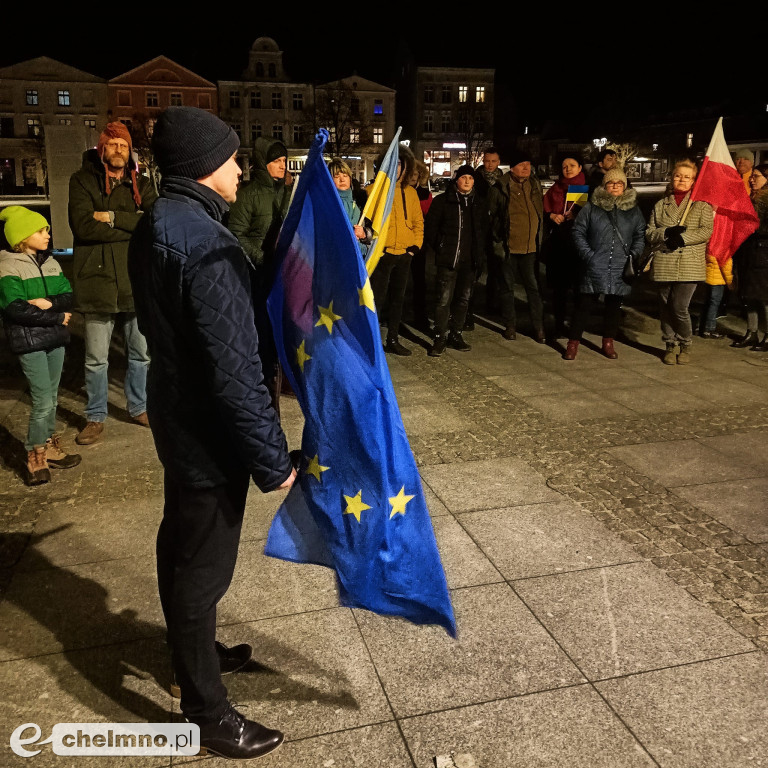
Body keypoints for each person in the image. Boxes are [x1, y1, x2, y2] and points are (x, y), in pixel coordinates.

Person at [128, 106, 296, 760]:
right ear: (203, 165)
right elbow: (236, 372)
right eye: (230, 158)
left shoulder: (165, 222)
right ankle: (204, 711)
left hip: (180, 419)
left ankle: (195, 656)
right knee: (199, 571)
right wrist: (272, 461)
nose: (240, 167)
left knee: (184, 549)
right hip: (208, 434)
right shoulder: (205, 242)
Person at [68, 122, 157, 446]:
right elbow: (82, 226)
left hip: (135, 279)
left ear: (129, 151)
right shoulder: (81, 181)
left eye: (124, 145)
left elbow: (153, 221)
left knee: (141, 354)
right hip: (97, 281)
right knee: (95, 358)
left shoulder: (142, 184)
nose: (118, 150)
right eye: (112, 144)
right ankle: (95, 416)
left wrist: (113, 217)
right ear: (101, 149)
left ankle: (138, 407)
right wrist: (131, 225)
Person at [0, 207, 81, 485]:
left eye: (46, 229)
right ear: (22, 237)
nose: (47, 234)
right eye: (40, 230)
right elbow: (14, 308)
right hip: (30, 340)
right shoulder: (8, 265)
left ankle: (48, 446)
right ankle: (35, 453)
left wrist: (47, 304)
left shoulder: (51, 262)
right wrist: (57, 316)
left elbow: (68, 295)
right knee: (43, 400)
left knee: (52, 398)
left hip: (54, 339)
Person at [228, 136, 293, 413]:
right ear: (263, 163)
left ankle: (282, 376)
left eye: (284, 160)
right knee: (261, 333)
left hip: (284, 275)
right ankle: (265, 387)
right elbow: (235, 233)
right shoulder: (248, 194)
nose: (282, 165)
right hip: (258, 276)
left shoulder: (287, 192)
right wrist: (263, 258)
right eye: (276, 161)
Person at [568, 168, 645, 359]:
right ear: (604, 186)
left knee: (613, 307)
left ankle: (608, 342)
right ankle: (573, 343)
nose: (615, 186)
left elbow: (640, 234)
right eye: (611, 183)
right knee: (584, 306)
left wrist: (633, 254)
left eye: (619, 183)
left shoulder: (633, 210)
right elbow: (578, 231)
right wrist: (588, 255)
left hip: (620, 265)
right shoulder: (592, 207)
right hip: (595, 264)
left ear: (625, 186)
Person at [646, 159, 714, 365]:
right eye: (678, 176)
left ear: (694, 181)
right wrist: (666, 232)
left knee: (679, 306)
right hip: (664, 261)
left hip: (689, 263)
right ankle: (669, 343)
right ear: (672, 178)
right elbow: (649, 232)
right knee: (665, 306)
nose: (681, 180)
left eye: (687, 177)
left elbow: (706, 231)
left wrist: (683, 238)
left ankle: (685, 342)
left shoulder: (701, 205)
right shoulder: (660, 205)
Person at [423, 164, 488, 357]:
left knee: (463, 300)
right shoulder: (443, 201)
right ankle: (439, 337)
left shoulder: (479, 203)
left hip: (470, 262)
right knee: (443, 300)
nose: (467, 181)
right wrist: (441, 247)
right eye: (463, 178)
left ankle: (456, 334)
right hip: (449, 260)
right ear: (456, 180)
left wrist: (480, 254)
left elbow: (484, 230)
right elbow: (431, 229)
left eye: (471, 178)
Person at [370, 143, 424, 356]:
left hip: (404, 253)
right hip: (383, 255)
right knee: (377, 300)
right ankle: (373, 342)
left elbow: (418, 222)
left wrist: (414, 247)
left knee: (398, 299)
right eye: (394, 164)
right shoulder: (374, 190)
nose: (397, 168)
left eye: (400, 164)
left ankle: (393, 338)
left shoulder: (410, 192)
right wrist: (377, 247)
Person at [487, 148, 545, 342]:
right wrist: (497, 240)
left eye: (528, 165)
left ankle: (538, 327)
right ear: (512, 168)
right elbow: (491, 216)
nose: (526, 168)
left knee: (533, 289)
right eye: (522, 165)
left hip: (531, 248)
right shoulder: (500, 188)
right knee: (507, 289)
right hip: (508, 248)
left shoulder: (534, 184)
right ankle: (510, 325)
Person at [542, 154, 587, 338]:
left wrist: (578, 215)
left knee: (578, 290)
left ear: (580, 168)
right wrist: (551, 216)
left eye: (572, 165)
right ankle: (559, 326)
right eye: (564, 166)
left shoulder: (584, 188)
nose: (567, 169)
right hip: (558, 245)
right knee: (559, 290)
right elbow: (544, 210)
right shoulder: (555, 188)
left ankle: (576, 327)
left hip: (579, 246)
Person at [732, 163, 768, 350]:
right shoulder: (751, 198)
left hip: (763, 254)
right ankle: (751, 332)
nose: (752, 179)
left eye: (757, 176)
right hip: (749, 252)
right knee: (748, 294)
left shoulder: (765, 201)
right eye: (752, 176)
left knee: (763, 296)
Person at [473, 147, 504, 318]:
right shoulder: (476, 179)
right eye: (487, 161)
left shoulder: (504, 181)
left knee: (496, 269)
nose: (489, 164)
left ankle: (492, 304)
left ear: (499, 162)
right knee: (475, 268)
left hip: (497, 231)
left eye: (493, 161)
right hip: (479, 229)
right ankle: (468, 307)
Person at [328, 157, 371, 257]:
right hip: (337, 259)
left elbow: (371, 232)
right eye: (337, 176)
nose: (342, 179)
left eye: (345, 175)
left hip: (359, 258)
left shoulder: (360, 201)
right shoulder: (328, 203)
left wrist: (364, 234)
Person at [409, 159, 433, 331]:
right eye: (410, 173)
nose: (412, 176)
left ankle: (420, 315)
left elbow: (429, 216)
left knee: (419, 281)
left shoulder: (425, 194)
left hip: (419, 242)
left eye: (416, 173)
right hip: (399, 242)